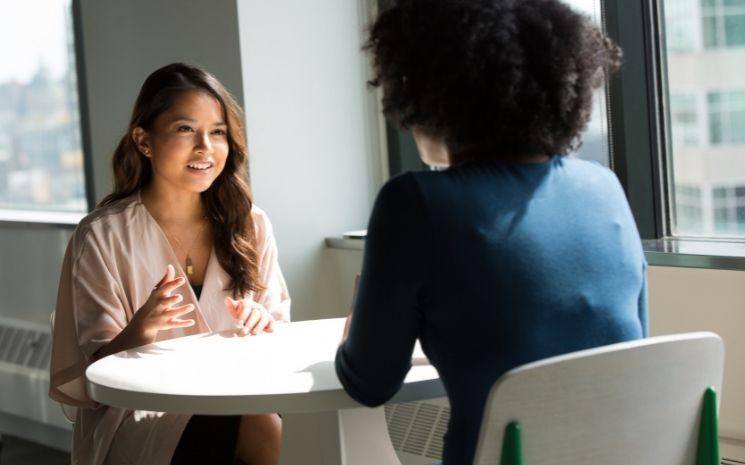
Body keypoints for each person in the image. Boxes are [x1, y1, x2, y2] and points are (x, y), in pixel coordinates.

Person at [335, 1, 647, 464]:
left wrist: (353, 331)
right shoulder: (604, 187)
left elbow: (370, 382)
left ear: (428, 88)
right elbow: (634, 348)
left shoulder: (416, 203)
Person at [49, 63, 290, 465]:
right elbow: (92, 377)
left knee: (271, 420)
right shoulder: (101, 236)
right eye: (185, 130)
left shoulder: (251, 224)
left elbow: (279, 333)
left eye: (217, 132)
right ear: (144, 141)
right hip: (139, 413)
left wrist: (261, 321)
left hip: (238, 397)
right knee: (260, 425)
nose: (205, 148)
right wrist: (138, 331)